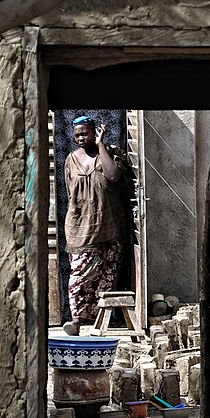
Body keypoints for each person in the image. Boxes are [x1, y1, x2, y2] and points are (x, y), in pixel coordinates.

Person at [62, 115, 130, 336]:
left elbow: (113, 176)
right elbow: (70, 191)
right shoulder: (71, 160)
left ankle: (100, 324)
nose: (81, 138)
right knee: (78, 279)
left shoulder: (111, 152)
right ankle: (76, 322)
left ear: (94, 131)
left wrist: (101, 145)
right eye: (77, 135)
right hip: (81, 229)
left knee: (106, 279)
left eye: (85, 133)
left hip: (110, 227)